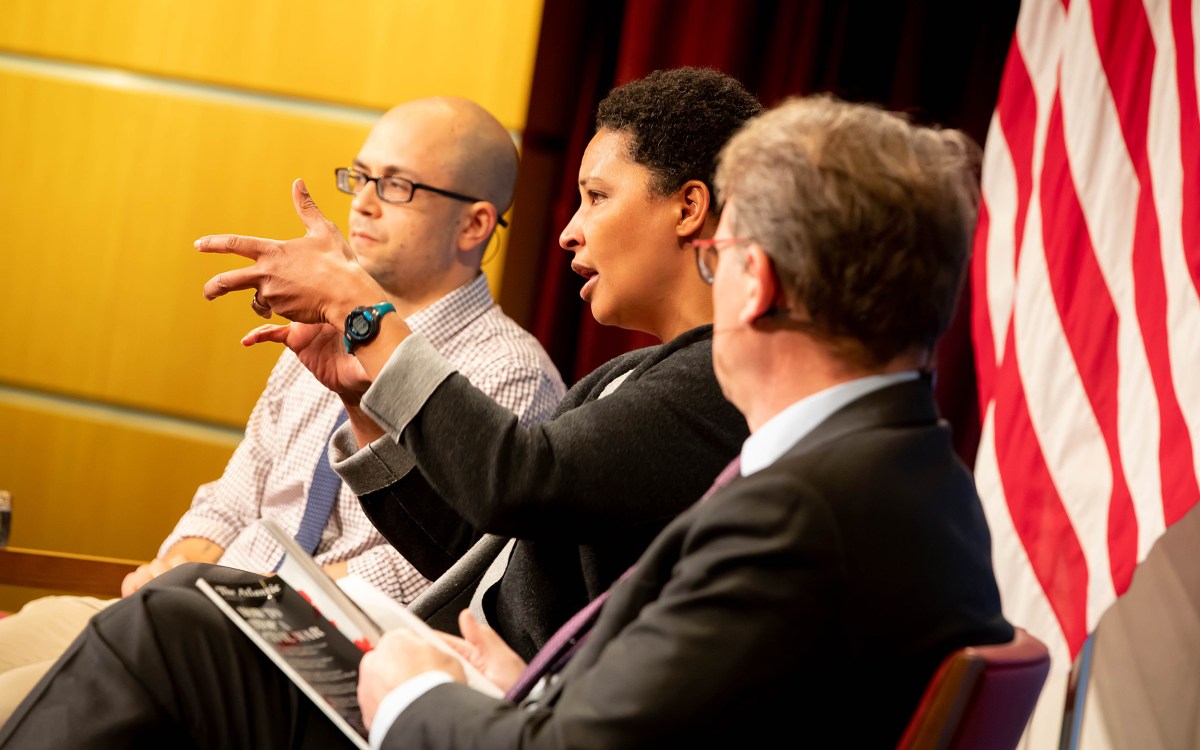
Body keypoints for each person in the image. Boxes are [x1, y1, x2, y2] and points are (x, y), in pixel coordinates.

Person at [0, 67, 759, 747]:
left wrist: (366, 317)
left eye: (596, 197)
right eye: (359, 177)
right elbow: (480, 539)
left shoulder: (705, 386)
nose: (568, 229)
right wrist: (362, 397)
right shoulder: (633, 373)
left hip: (454, 702)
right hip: (416, 668)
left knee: (171, 621)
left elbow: (515, 478)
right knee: (90, 625)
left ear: (689, 207)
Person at [0, 96, 565, 721]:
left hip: (302, 668)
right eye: (360, 176)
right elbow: (240, 494)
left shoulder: (509, 373)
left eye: (397, 185)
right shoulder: (329, 322)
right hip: (203, 612)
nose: (364, 201)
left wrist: (219, 588)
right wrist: (181, 559)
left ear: (474, 225)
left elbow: (429, 568)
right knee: (21, 638)